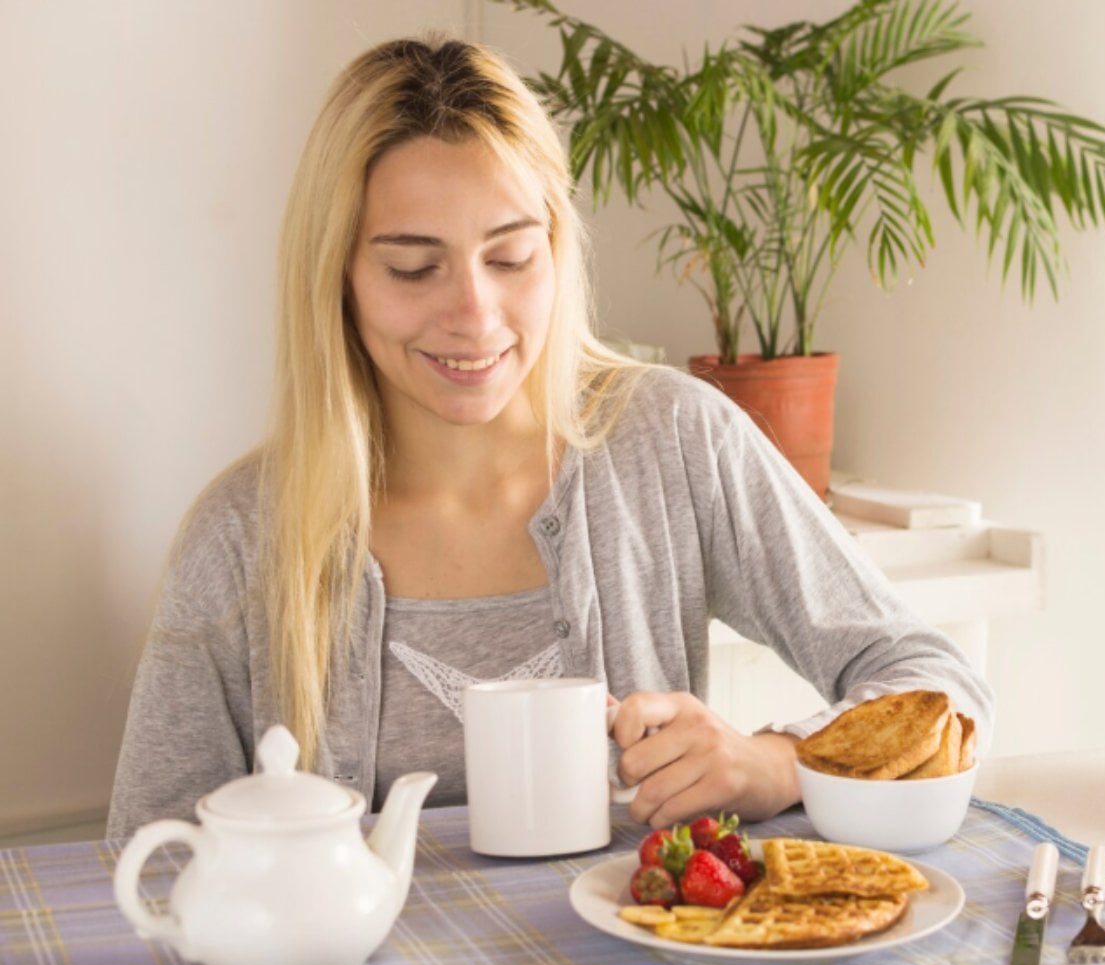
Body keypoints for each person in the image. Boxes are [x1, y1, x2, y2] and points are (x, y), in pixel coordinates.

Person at [106, 35, 994, 840]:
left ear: (559, 249)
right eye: (414, 266)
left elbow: (935, 684)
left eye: (510, 257)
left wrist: (774, 763)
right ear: (336, 277)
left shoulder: (673, 442)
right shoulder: (242, 533)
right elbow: (144, 861)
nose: (474, 315)